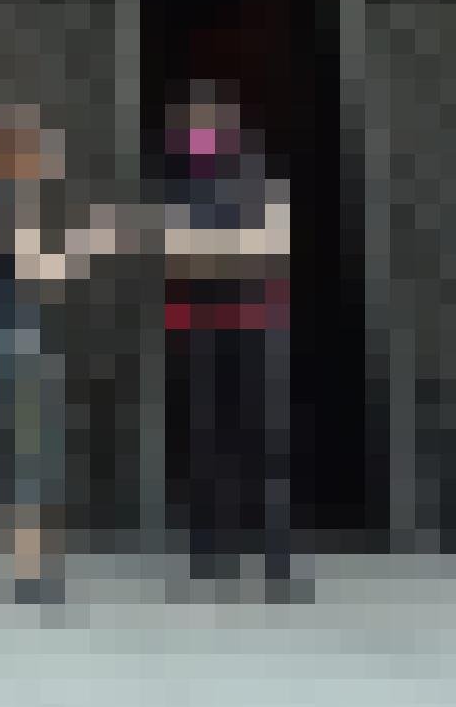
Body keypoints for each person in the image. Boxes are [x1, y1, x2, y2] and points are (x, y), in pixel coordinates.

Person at [0, 104, 127, 605]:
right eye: (45, 145)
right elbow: (39, 268)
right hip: (19, 338)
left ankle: (29, 563)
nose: (55, 154)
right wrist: (94, 242)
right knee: (31, 453)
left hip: (10, 336)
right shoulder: (12, 202)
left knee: (26, 451)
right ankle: (30, 568)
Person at [156, 84, 302, 599]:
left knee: (260, 443)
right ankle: (212, 556)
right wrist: (234, 250)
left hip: (254, 322)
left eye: (210, 121)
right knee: (207, 442)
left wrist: (215, 251)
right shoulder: (179, 183)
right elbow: (178, 255)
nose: (204, 133)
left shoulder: (256, 175)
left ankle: (273, 560)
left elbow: (273, 244)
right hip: (202, 325)